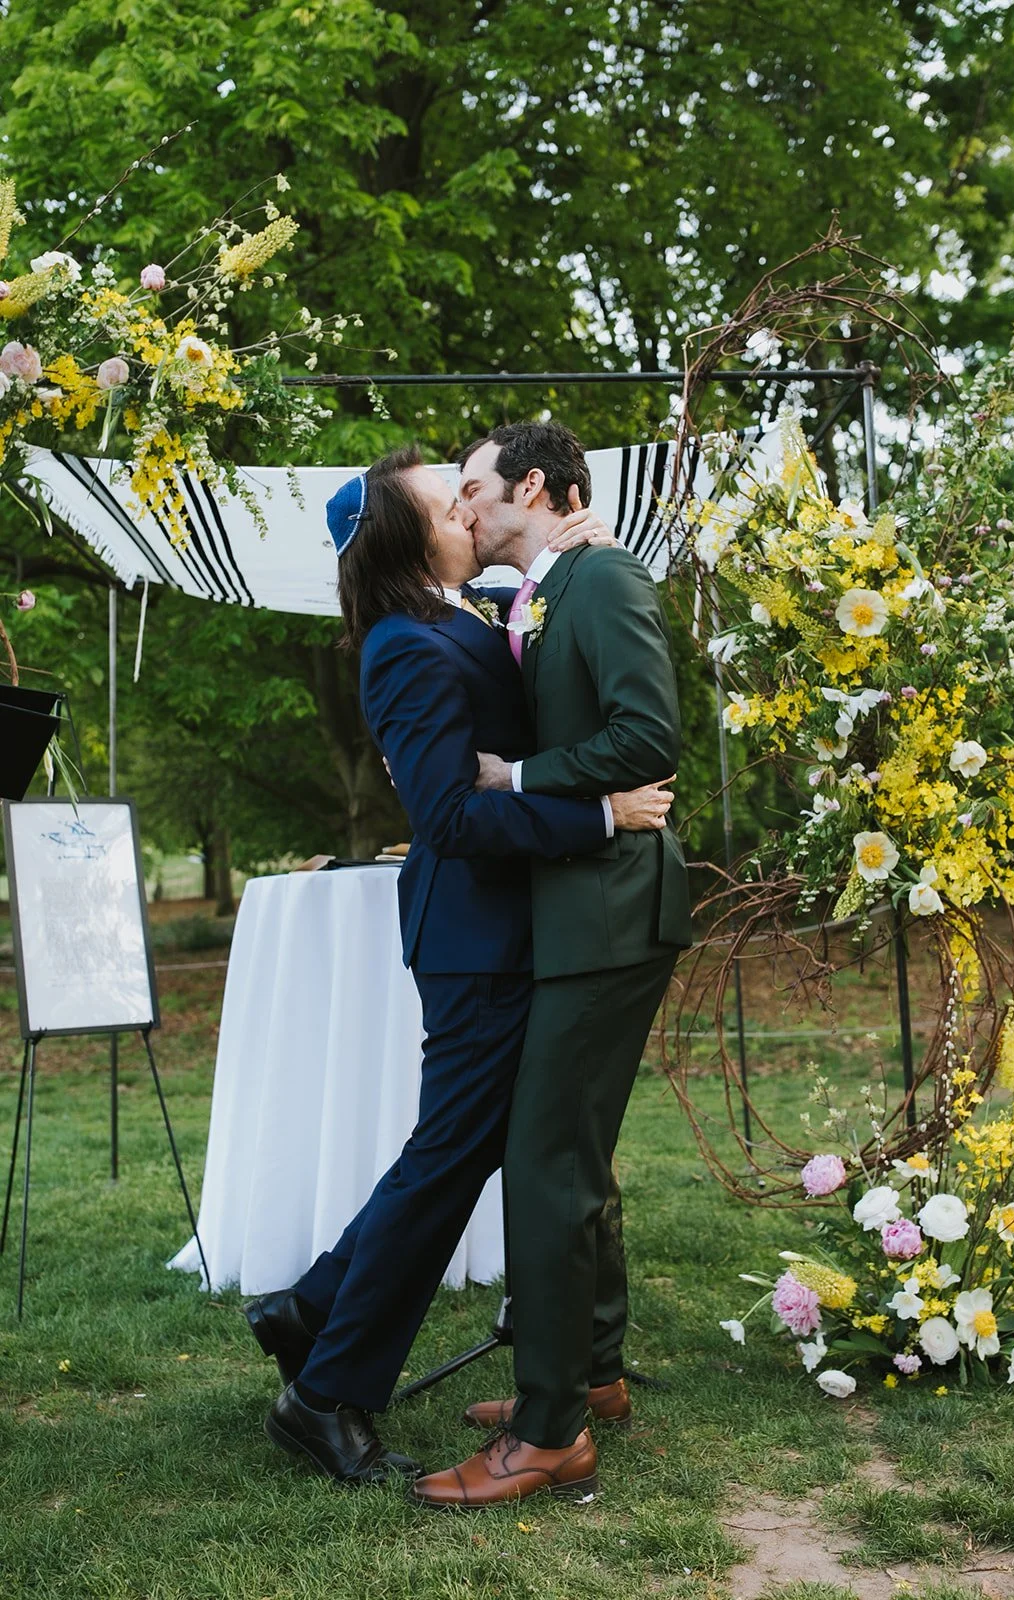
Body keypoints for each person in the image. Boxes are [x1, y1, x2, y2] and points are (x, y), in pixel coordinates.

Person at [245, 445, 673, 1486]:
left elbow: (538, 587)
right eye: (447, 501)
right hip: (475, 940)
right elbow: (444, 812)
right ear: (406, 536)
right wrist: (594, 810)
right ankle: (328, 1390)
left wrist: (573, 545)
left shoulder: (466, 608)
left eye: (471, 491)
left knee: (465, 1151)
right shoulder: (401, 644)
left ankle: (309, 1307)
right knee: (451, 1159)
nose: (467, 510)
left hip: (515, 932)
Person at [411, 422, 692, 1508]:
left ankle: (548, 1431)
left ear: (535, 485)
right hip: (574, 913)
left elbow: (646, 735)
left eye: (476, 489)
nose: (465, 510)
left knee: (542, 1165)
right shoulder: (541, 592)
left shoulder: (604, 574)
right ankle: (593, 1372)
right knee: (571, 1157)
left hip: (612, 912)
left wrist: (512, 774)